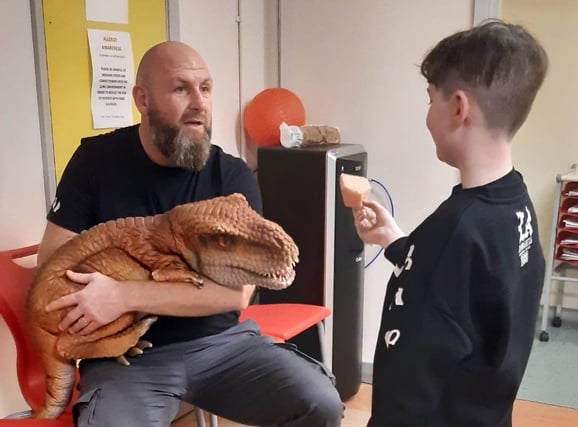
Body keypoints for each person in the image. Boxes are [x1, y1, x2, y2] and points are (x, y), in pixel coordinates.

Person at [37, 41, 343, 427]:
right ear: (142, 99)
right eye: (181, 89)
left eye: (206, 88)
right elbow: (52, 263)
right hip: (128, 359)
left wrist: (121, 295)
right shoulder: (94, 163)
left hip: (222, 347)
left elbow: (233, 293)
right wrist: (175, 291)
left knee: (319, 402)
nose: (199, 103)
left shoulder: (231, 176)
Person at [351, 20, 548, 426]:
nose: (427, 115)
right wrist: (395, 240)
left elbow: (409, 384)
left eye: (430, 99)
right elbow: (466, 291)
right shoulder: (516, 205)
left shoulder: (457, 228)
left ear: (458, 107)